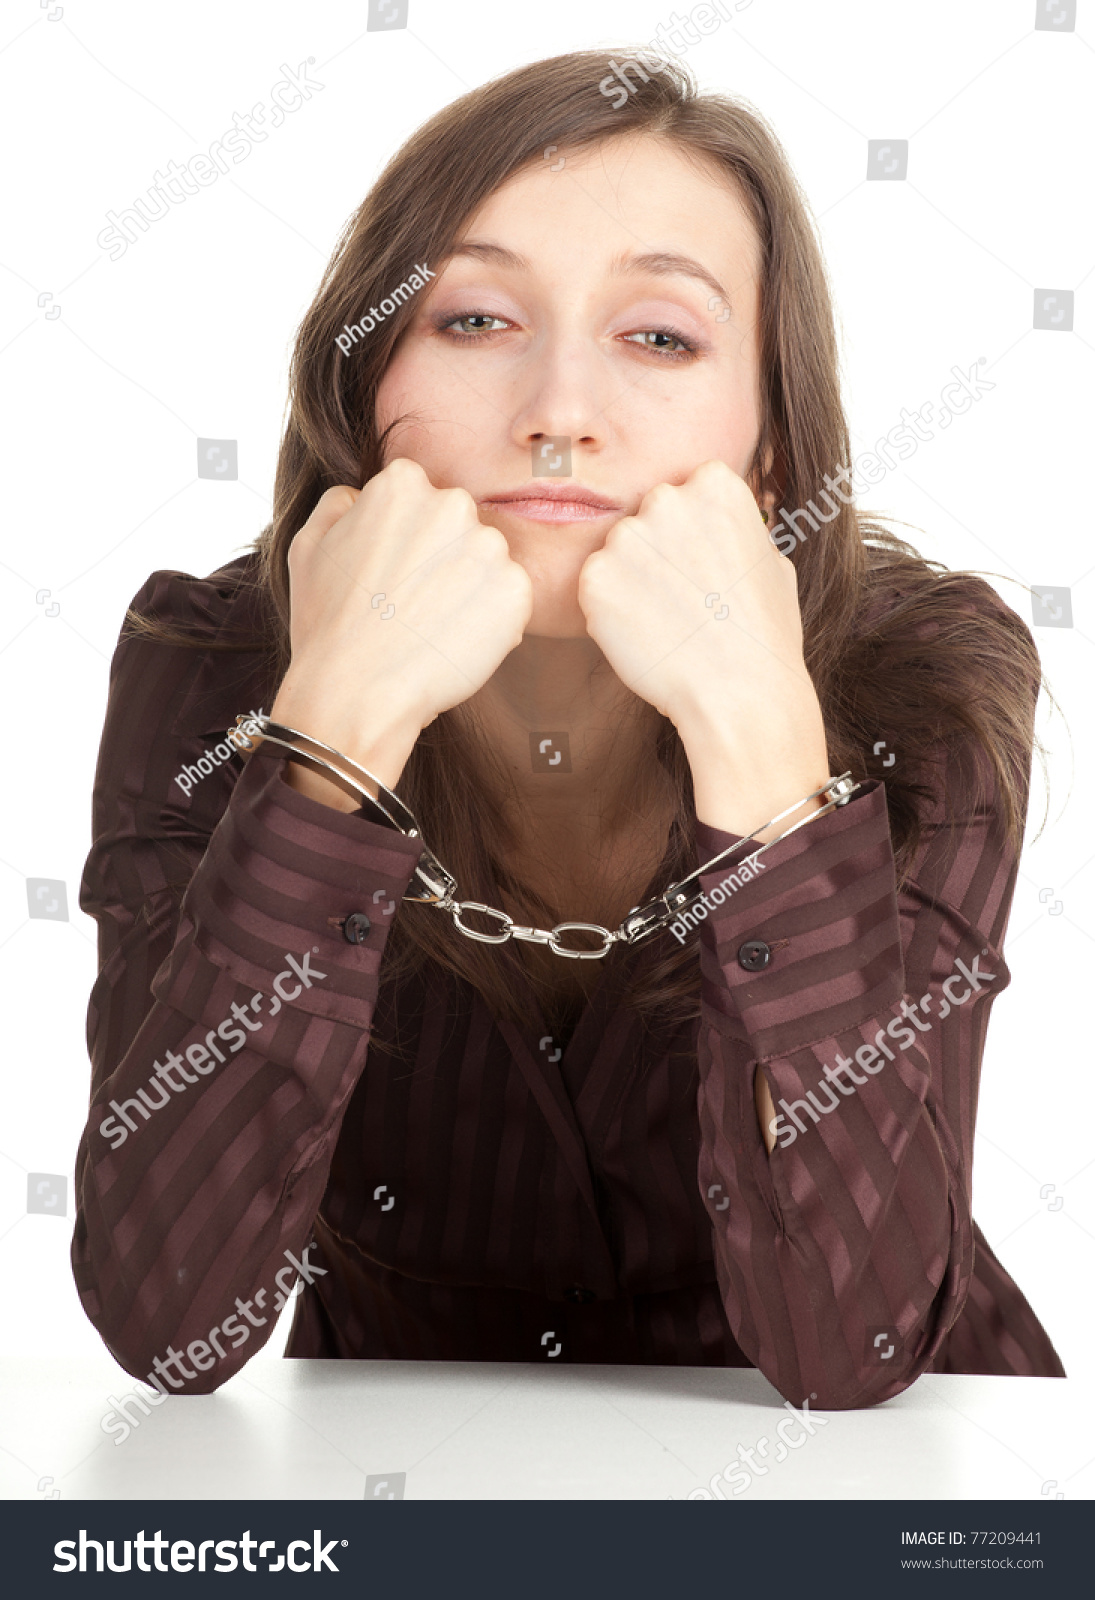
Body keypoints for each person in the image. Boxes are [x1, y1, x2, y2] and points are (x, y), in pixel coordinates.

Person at [72, 49, 1064, 1411]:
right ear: (365, 388)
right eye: (476, 322)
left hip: (880, 1496)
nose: (558, 419)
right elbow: (167, 1326)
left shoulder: (926, 686)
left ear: (769, 440)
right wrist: (332, 740)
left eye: (660, 337)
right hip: (414, 1499)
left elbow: (857, 1356)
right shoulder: (210, 670)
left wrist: (763, 744)